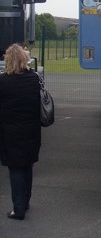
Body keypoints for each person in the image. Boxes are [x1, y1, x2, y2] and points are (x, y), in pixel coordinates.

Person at [0, 44, 42, 220]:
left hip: (10, 130)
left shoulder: (3, 81)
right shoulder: (33, 78)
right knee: (27, 165)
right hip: (31, 129)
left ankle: (18, 209)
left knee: (15, 168)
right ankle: (25, 201)